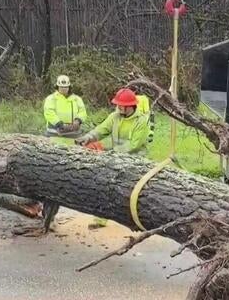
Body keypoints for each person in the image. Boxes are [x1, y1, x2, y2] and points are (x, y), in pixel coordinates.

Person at [41, 75, 87, 232]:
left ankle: (57, 210)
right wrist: (59, 124)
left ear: (69, 86)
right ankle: (48, 214)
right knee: (53, 177)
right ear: (57, 87)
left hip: (72, 140)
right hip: (55, 138)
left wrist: (77, 122)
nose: (64, 89)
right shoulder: (51, 99)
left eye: (66, 87)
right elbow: (49, 113)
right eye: (61, 87)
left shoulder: (76, 99)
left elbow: (82, 111)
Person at [76, 88, 150, 155]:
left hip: (135, 159)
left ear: (130, 106)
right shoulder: (114, 116)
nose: (118, 107)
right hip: (116, 156)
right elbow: (101, 130)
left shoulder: (141, 121)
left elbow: (133, 145)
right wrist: (88, 137)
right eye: (118, 104)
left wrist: (110, 152)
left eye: (121, 105)